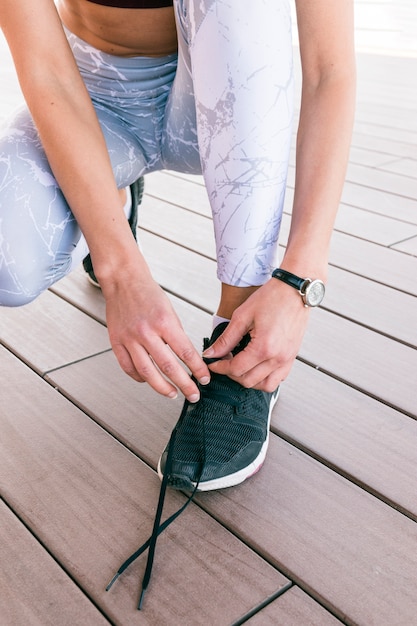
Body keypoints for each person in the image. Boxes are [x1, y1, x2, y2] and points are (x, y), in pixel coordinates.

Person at [0, 0, 356, 491]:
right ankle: (110, 201)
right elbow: (46, 71)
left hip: (222, 95)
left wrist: (300, 278)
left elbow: (328, 71)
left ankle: (238, 339)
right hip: (92, 96)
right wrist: (119, 269)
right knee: (6, 263)